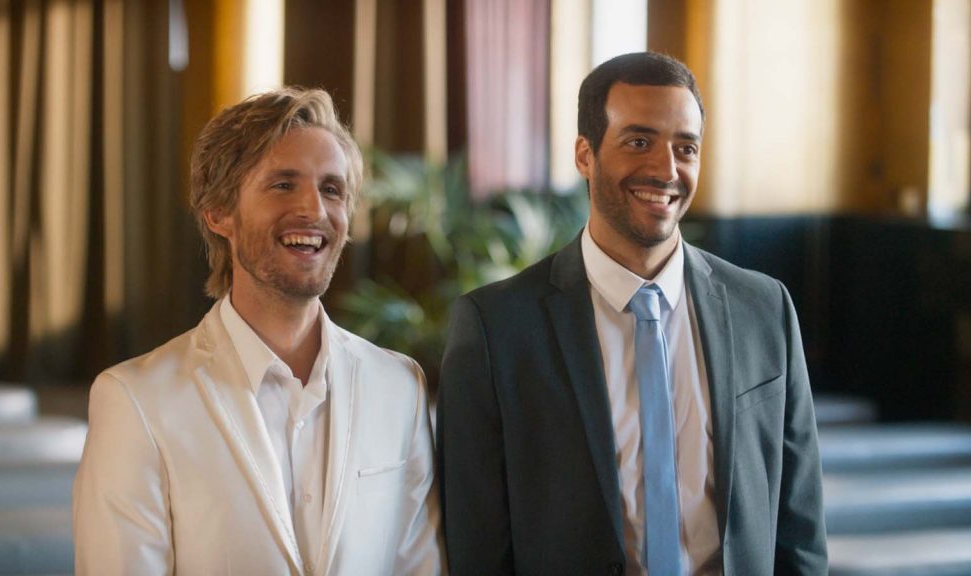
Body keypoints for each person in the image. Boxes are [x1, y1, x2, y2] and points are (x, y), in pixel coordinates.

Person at [437, 52, 826, 575]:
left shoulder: (764, 309)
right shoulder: (497, 328)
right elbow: (477, 547)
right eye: (639, 142)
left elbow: (800, 531)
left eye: (685, 148)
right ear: (585, 155)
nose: (666, 170)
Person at [74, 86, 444, 575]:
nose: (314, 210)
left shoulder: (399, 387)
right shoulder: (135, 400)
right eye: (283, 184)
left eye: (332, 189)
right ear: (218, 212)